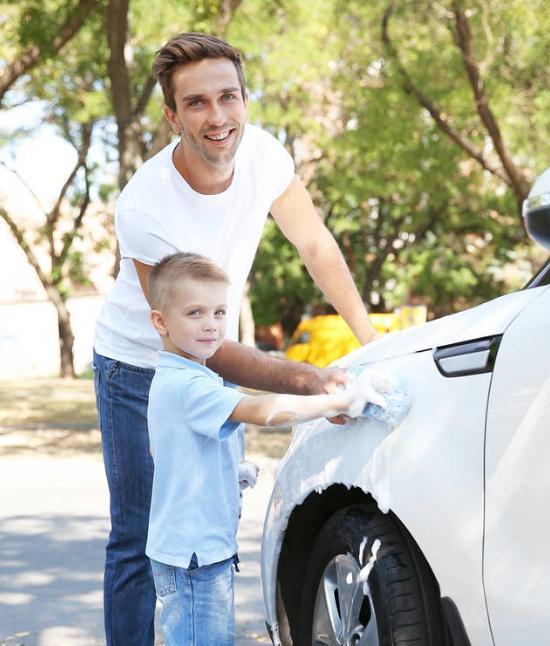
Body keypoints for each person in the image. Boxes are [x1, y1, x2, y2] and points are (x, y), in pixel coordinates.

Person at [92, 32, 380, 646]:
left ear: (245, 99)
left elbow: (316, 247)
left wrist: (369, 341)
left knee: (209, 522)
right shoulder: (146, 207)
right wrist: (309, 380)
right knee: (140, 535)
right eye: (196, 103)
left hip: (207, 346)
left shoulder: (265, 157)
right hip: (140, 366)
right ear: (171, 116)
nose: (217, 117)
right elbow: (201, 345)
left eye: (229, 97)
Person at [145, 252, 384, 645]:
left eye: (220, 312)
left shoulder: (186, 376)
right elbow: (265, 411)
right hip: (194, 558)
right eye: (195, 313)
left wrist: (226, 475)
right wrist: (336, 403)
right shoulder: (188, 385)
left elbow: (170, 453)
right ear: (161, 321)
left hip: (198, 552)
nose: (211, 325)